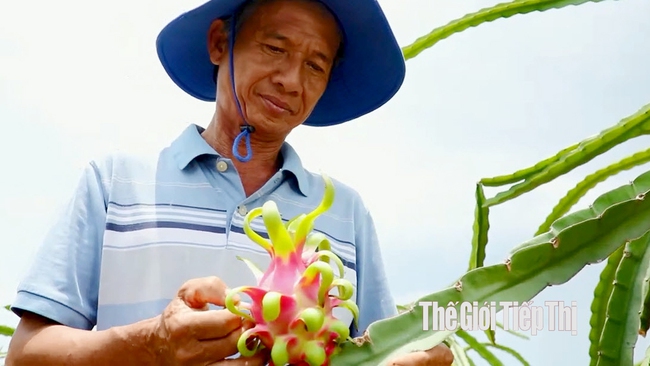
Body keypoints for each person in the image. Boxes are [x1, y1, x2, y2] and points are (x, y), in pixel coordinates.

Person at [5, 0, 454, 365]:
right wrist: (151, 343)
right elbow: (26, 355)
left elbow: (373, 354)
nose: (290, 80)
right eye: (275, 49)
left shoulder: (346, 213)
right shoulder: (116, 183)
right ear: (220, 42)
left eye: (315, 66)